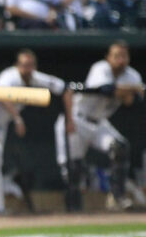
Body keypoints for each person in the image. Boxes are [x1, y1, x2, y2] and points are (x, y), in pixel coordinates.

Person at [0, 49, 70, 215]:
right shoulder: (9, 76)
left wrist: (70, 119)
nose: (26, 68)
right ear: (17, 65)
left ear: (34, 66)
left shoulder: (36, 77)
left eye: (30, 65)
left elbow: (65, 88)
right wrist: (17, 118)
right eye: (23, 65)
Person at [54, 41, 144, 211]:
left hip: (100, 123)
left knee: (120, 147)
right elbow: (106, 89)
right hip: (77, 119)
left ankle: (117, 197)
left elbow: (131, 101)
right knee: (73, 170)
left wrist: (128, 91)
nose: (120, 60)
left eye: (124, 56)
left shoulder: (132, 75)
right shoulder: (100, 68)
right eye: (116, 56)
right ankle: (73, 211)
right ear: (108, 57)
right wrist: (132, 89)